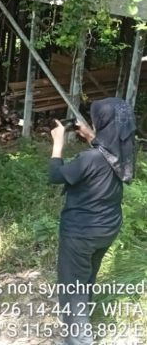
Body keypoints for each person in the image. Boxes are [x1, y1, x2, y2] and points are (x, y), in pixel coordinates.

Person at [49, 98, 136, 345]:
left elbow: (56, 175)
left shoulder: (89, 159)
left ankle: (79, 338)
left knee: (71, 285)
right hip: (107, 229)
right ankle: (81, 317)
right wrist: (90, 136)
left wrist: (58, 144)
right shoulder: (123, 153)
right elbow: (106, 153)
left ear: (104, 123)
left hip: (81, 232)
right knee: (86, 277)